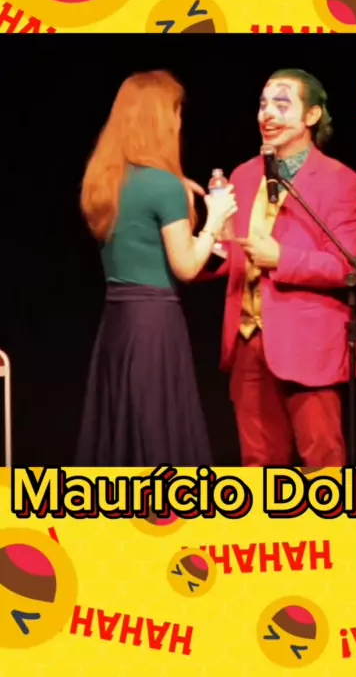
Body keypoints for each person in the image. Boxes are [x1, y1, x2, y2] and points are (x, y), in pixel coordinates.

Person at [208, 69, 356, 467]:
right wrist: (204, 240)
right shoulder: (244, 175)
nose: (268, 114)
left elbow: (349, 266)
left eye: (282, 105)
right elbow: (232, 254)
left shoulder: (341, 181)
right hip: (248, 342)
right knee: (258, 465)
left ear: (312, 116)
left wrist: (282, 258)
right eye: (263, 104)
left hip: (308, 345)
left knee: (322, 463)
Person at [76, 70, 237, 466]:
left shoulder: (105, 181)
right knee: (157, 432)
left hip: (118, 323)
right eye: (177, 112)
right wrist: (216, 218)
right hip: (154, 326)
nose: (180, 123)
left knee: (124, 433)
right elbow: (186, 266)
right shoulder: (162, 186)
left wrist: (176, 189)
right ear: (163, 119)